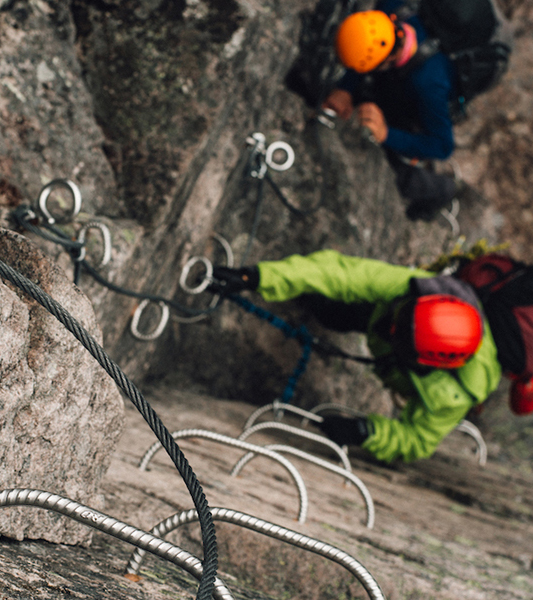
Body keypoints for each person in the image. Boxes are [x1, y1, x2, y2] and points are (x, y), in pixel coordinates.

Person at [210, 249, 502, 462]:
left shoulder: (457, 394)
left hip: (408, 358)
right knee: (333, 312)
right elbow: (344, 273)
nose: (391, 329)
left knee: (337, 316)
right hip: (396, 321)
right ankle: (307, 298)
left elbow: (417, 440)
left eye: (398, 334)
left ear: (425, 362)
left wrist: (366, 432)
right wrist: (256, 277)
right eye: (400, 318)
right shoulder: (417, 288)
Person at [321, 2, 461, 220]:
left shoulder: (429, 84)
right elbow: (369, 46)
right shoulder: (388, 12)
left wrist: (387, 134)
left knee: (396, 166)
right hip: (400, 74)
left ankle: (442, 191)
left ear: (388, 60)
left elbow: (443, 146)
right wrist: (345, 89)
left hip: (419, 98)